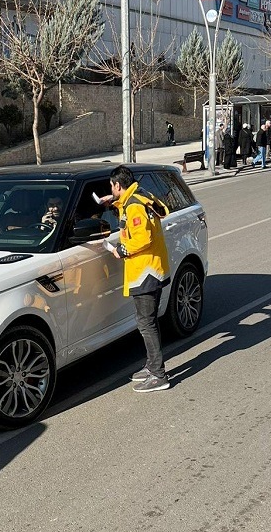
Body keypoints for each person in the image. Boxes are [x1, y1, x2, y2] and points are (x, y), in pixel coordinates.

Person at [104, 165, 171, 393]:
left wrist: (120, 250)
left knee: (146, 323)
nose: (111, 190)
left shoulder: (133, 207)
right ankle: (152, 365)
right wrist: (114, 201)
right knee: (147, 320)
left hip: (145, 272)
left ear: (118, 185)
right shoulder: (141, 196)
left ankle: (158, 374)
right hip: (152, 267)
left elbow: (142, 238)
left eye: (111, 188)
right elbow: (161, 210)